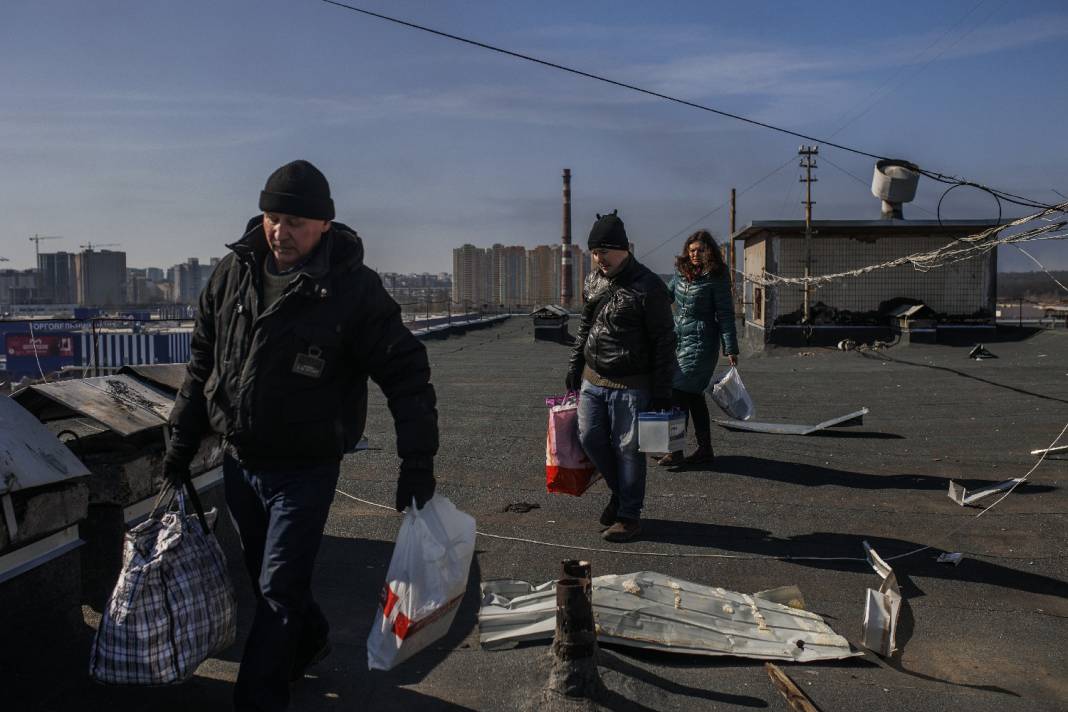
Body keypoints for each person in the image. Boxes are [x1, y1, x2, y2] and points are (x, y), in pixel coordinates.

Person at [163, 159, 438, 712]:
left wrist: (417, 461)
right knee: (267, 574)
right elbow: (202, 365)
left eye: (294, 222)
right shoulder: (232, 273)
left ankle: (258, 699)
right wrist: (180, 441)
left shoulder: (352, 291)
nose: (279, 232)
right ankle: (309, 641)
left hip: (305, 468)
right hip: (240, 462)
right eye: (272, 218)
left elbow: (407, 376)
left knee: (279, 589)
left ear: (324, 227)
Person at [565, 211, 676, 542]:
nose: (600, 259)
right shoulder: (594, 281)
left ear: (626, 248)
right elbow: (586, 325)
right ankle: (621, 494)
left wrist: (662, 389)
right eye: (595, 252)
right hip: (592, 378)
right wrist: (574, 364)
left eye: (605, 252)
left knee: (629, 451)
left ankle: (629, 517)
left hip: (632, 385)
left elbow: (664, 340)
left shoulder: (649, 286)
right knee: (589, 439)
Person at [656, 229, 738, 466]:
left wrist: (730, 347)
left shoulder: (718, 276)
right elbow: (666, 296)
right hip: (678, 341)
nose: (695, 254)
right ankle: (705, 449)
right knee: (692, 395)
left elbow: (725, 314)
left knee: (679, 392)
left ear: (709, 251)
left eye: (700, 250)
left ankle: (676, 451)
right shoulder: (681, 273)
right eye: (692, 250)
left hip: (702, 343)